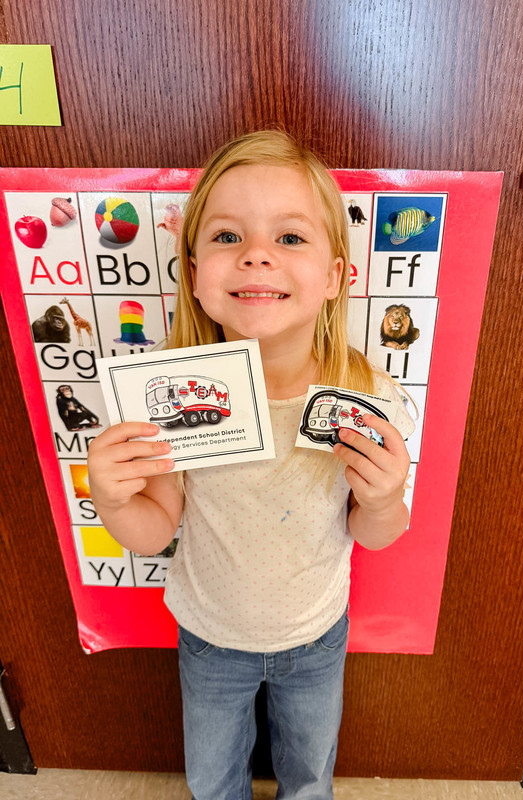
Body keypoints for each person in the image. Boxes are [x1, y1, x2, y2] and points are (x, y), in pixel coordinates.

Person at [88, 130, 411, 800]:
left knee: (310, 775)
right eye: (228, 237)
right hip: (209, 635)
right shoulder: (170, 396)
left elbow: (376, 532)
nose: (257, 255)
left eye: (290, 238)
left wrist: (382, 501)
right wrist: (116, 501)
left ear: (333, 276)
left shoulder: (366, 398)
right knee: (212, 778)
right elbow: (155, 529)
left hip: (317, 634)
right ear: (195, 273)